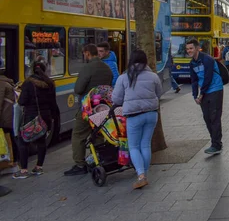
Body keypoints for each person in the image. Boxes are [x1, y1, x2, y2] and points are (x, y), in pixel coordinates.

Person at [112, 50, 161, 189]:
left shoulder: (123, 77)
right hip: (152, 114)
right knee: (145, 144)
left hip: (134, 115)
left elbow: (116, 99)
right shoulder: (153, 76)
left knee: (134, 146)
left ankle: (141, 176)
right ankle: (144, 174)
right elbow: (158, 93)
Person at [64, 44, 113, 176]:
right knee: (97, 133)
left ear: (87, 53)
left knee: (78, 134)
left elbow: (78, 89)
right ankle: (96, 159)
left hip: (88, 108)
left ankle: (80, 164)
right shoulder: (107, 68)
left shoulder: (87, 68)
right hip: (102, 108)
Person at [13, 61, 60, 179]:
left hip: (31, 117)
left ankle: (23, 171)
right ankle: (39, 167)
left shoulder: (28, 83)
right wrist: (53, 118)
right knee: (41, 141)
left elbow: (22, 101)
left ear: (32, 70)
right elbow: (53, 103)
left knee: (23, 141)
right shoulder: (50, 83)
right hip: (46, 117)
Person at [187, 39, 224, 155]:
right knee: (207, 118)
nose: (189, 51)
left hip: (215, 89)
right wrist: (194, 95)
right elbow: (193, 80)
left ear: (197, 48)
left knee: (214, 117)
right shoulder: (192, 63)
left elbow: (208, 77)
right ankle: (215, 142)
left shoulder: (207, 59)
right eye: (187, 49)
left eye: (191, 48)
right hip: (204, 92)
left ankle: (216, 144)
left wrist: (201, 94)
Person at [0, 69, 18, 173]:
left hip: (4, 118)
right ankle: (13, 162)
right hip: (8, 116)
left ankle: (10, 163)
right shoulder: (7, 82)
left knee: (8, 140)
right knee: (10, 138)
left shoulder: (1, 84)